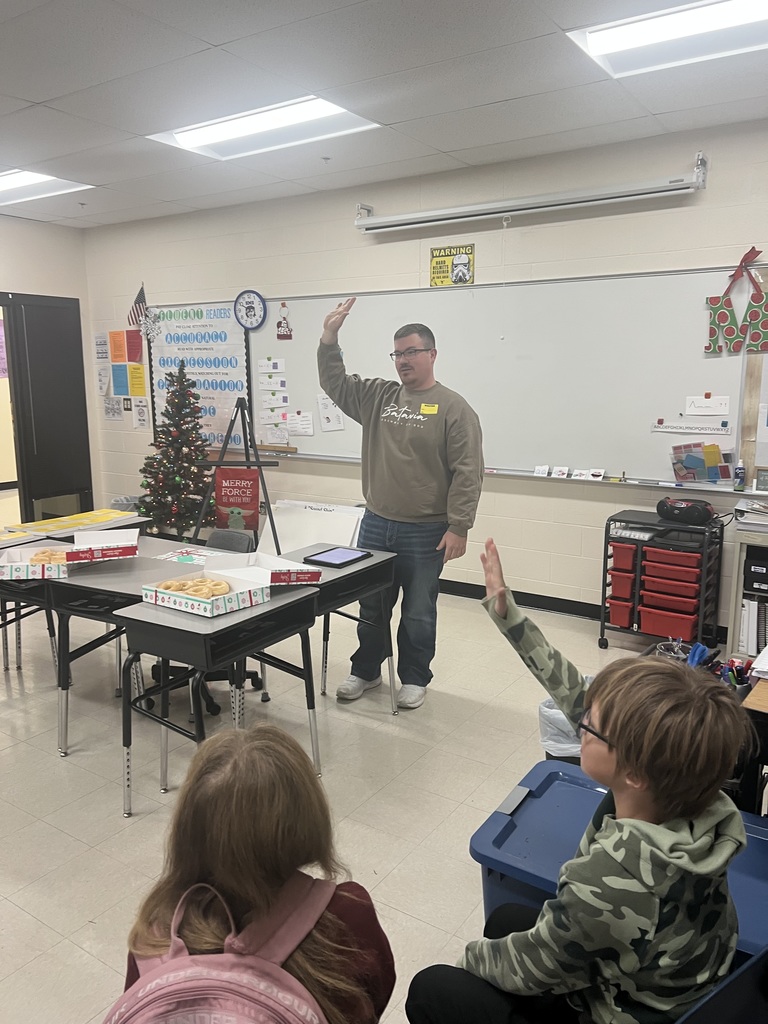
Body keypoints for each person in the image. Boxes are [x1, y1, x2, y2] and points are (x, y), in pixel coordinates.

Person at [406, 538, 755, 1024]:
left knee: (435, 987)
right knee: (507, 919)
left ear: (631, 768)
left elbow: (528, 966)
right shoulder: (695, 793)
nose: (579, 720)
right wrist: (507, 614)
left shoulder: (614, 878)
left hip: (621, 1010)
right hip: (663, 978)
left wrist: (464, 966)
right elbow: (575, 693)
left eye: (589, 726)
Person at [124, 724, 395, 1024]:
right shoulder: (347, 916)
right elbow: (374, 1000)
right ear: (306, 818)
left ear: (188, 828)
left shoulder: (155, 935)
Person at [318, 297, 483, 710]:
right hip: (376, 523)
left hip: (427, 530)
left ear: (432, 354)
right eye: (397, 353)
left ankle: (414, 677)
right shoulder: (378, 397)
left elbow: (468, 471)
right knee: (371, 604)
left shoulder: (454, 408)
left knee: (418, 611)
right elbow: (334, 383)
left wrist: (459, 526)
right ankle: (367, 671)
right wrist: (329, 337)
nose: (403, 360)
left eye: (412, 352)